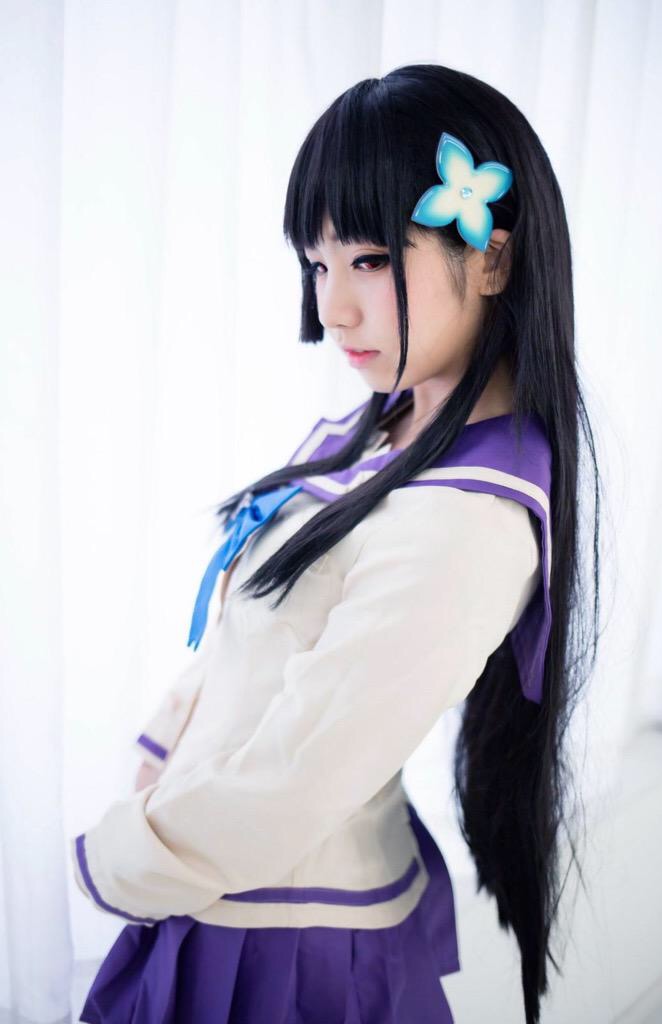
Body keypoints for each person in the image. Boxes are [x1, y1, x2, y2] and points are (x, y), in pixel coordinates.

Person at [71, 63, 600, 1024]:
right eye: (317, 265)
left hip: (283, 939)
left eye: (369, 259)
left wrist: (118, 857)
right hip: (221, 883)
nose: (332, 308)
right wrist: (164, 760)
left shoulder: (469, 522)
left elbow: (295, 780)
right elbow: (259, 638)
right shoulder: (386, 425)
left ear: (492, 259)